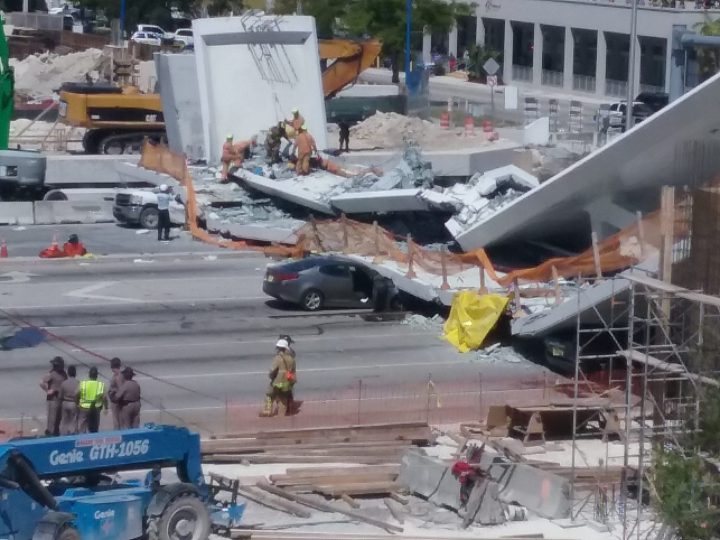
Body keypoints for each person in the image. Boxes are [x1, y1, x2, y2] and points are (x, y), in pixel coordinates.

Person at [260, 339, 297, 417]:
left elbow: (273, 370)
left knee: (270, 395)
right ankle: (282, 414)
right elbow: (293, 371)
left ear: (278, 348)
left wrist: (270, 375)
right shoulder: (291, 359)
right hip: (287, 382)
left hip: (277, 382)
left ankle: (268, 410)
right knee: (283, 398)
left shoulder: (277, 358)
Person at [40, 356, 67, 436]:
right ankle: (50, 434)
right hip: (53, 399)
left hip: (61, 399)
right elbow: (41, 382)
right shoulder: (51, 374)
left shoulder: (63, 373)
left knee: (59, 418)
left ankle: (56, 432)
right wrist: (47, 390)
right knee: (52, 419)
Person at [76, 366, 108, 434]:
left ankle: (82, 440)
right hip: (96, 408)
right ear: (97, 375)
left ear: (89, 375)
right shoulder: (101, 385)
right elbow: (104, 397)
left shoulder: (83, 384)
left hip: (84, 408)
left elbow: (76, 394)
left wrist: (77, 403)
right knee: (95, 427)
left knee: (82, 426)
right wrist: (106, 408)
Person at [58, 365, 79, 435]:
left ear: (68, 373)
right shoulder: (78, 383)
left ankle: (63, 434)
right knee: (74, 420)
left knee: (64, 421)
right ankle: (72, 433)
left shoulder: (64, 383)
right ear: (75, 373)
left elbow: (60, 396)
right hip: (74, 403)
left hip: (65, 402)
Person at [108, 357, 123, 430]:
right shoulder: (118, 375)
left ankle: (117, 433)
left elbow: (120, 389)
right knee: (118, 419)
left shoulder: (117, 376)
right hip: (116, 400)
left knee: (116, 420)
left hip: (116, 401)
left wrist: (113, 391)